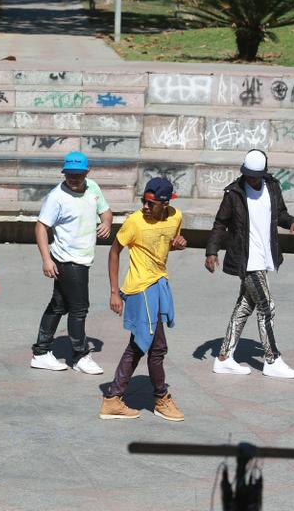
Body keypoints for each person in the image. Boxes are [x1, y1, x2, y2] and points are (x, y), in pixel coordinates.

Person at [205, 149, 294, 379]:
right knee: (267, 306)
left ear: (263, 173)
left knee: (245, 307)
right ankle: (272, 359)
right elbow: (220, 224)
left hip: (265, 255)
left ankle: (224, 358)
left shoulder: (272, 187)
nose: (250, 179)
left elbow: (280, 214)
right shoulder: (234, 193)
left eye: (255, 175)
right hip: (246, 259)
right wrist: (211, 251)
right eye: (247, 174)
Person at [99, 178, 187, 421]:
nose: (145, 207)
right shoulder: (134, 222)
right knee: (157, 347)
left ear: (165, 203)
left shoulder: (176, 216)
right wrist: (114, 291)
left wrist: (179, 244)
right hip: (140, 289)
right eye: (143, 202)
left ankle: (114, 399)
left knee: (139, 345)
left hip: (159, 286)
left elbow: (168, 242)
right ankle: (160, 398)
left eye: (150, 204)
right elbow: (114, 251)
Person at [30, 151, 112, 373]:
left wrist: (106, 222)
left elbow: (106, 212)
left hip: (83, 258)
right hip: (68, 259)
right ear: (64, 173)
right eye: (69, 175)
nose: (74, 179)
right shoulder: (56, 197)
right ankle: (80, 355)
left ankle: (41, 351)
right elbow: (40, 227)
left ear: (87, 172)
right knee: (79, 308)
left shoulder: (93, 187)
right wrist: (46, 259)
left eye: (78, 175)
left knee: (59, 304)